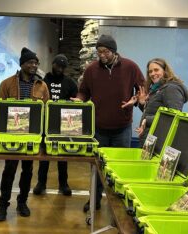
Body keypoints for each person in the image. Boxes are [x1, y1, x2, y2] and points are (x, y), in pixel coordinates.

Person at [71, 34, 145, 211]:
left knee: (119, 169)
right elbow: (84, 91)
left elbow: (142, 90)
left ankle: (118, 204)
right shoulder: (91, 69)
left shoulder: (130, 67)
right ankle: (94, 199)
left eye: (105, 51)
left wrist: (135, 99)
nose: (101, 55)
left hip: (122, 128)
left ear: (113, 51)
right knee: (97, 167)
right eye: (99, 51)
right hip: (99, 129)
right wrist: (80, 100)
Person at [0, 47, 49, 221]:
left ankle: (22, 202)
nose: (33, 65)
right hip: (11, 136)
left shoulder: (42, 85)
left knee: (28, 170)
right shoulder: (6, 83)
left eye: (35, 63)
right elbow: (0, 110)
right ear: (22, 64)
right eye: (30, 62)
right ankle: (3, 205)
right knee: (9, 170)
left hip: (32, 137)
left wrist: (43, 137)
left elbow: (47, 110)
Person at [33, 54, 78, 196]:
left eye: (63, 66)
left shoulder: (70, 83)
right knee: (44, 155)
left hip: (63, 126)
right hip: (45, 124)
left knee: (62, 155)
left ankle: (63, 184)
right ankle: (41, 183)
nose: (59, 69)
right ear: (53, 64)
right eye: (58, 65)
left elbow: (75, 101)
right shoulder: (44, 81)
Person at [127, 58, 188, 146]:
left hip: (160, 142)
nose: (153, 74)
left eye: (156, 70)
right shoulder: (157, 89)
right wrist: (142, 103)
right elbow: (153, 112)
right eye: (150, 71)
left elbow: (174, 116)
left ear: (165, 71)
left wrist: (147, 120)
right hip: (150, 139)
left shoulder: (171, 88)